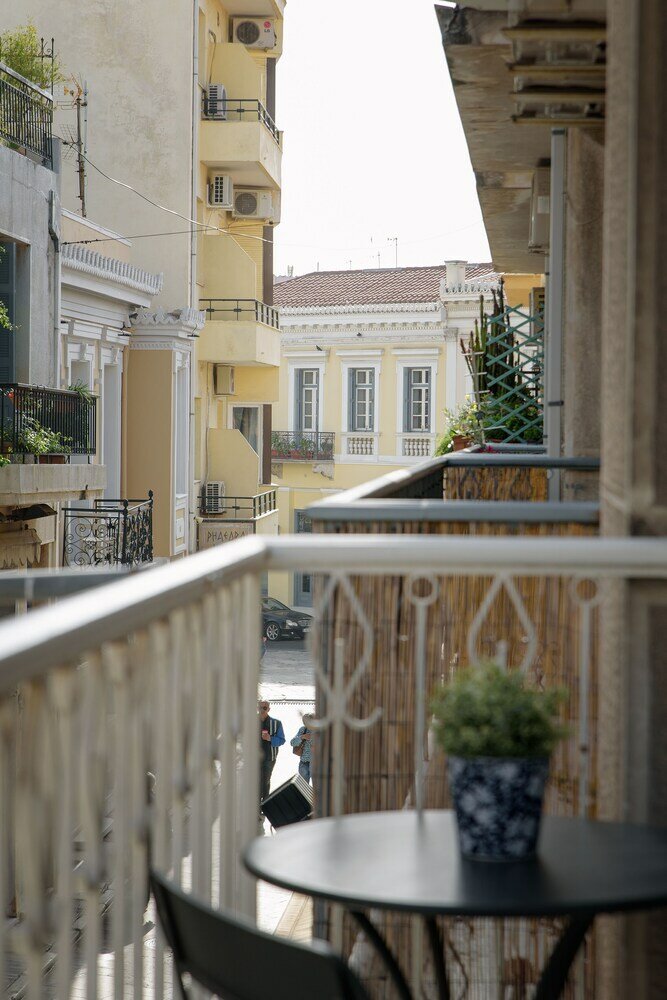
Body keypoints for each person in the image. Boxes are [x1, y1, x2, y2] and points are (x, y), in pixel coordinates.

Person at [259, 700, 285, 807]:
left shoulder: (276, 723)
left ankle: (264, 804)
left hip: (269, 758)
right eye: (260, 707)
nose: (262, 710)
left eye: (264, 708)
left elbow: (282, 740)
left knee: (265, 781)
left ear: (269, 709)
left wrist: (270, 738)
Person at [290, 713, 314, 785]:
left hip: (317, 764)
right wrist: (302, 737)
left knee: (318, 789)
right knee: (303, 788)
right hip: (304, 763)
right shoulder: (303, 729)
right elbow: (292, 743)